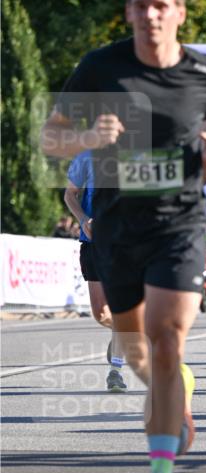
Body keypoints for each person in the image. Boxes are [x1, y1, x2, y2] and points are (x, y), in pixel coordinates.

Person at [41, 0, 206, 473]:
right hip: (116, 228)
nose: (150, 15)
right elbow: (50, 138)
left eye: (161, 6)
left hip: (178, 228)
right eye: (140, 6)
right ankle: (176, 387)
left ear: (178, 13)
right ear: (129, 12)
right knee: (136, 352)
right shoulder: (101, 67)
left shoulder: (203, 75)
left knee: (164, 341)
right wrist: (87, 135)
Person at [64, 150, 128, 391]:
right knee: (101, 313)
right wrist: (82, 219)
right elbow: (70, 194)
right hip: (93, 243)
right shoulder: (85, 158)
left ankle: (116, 371)